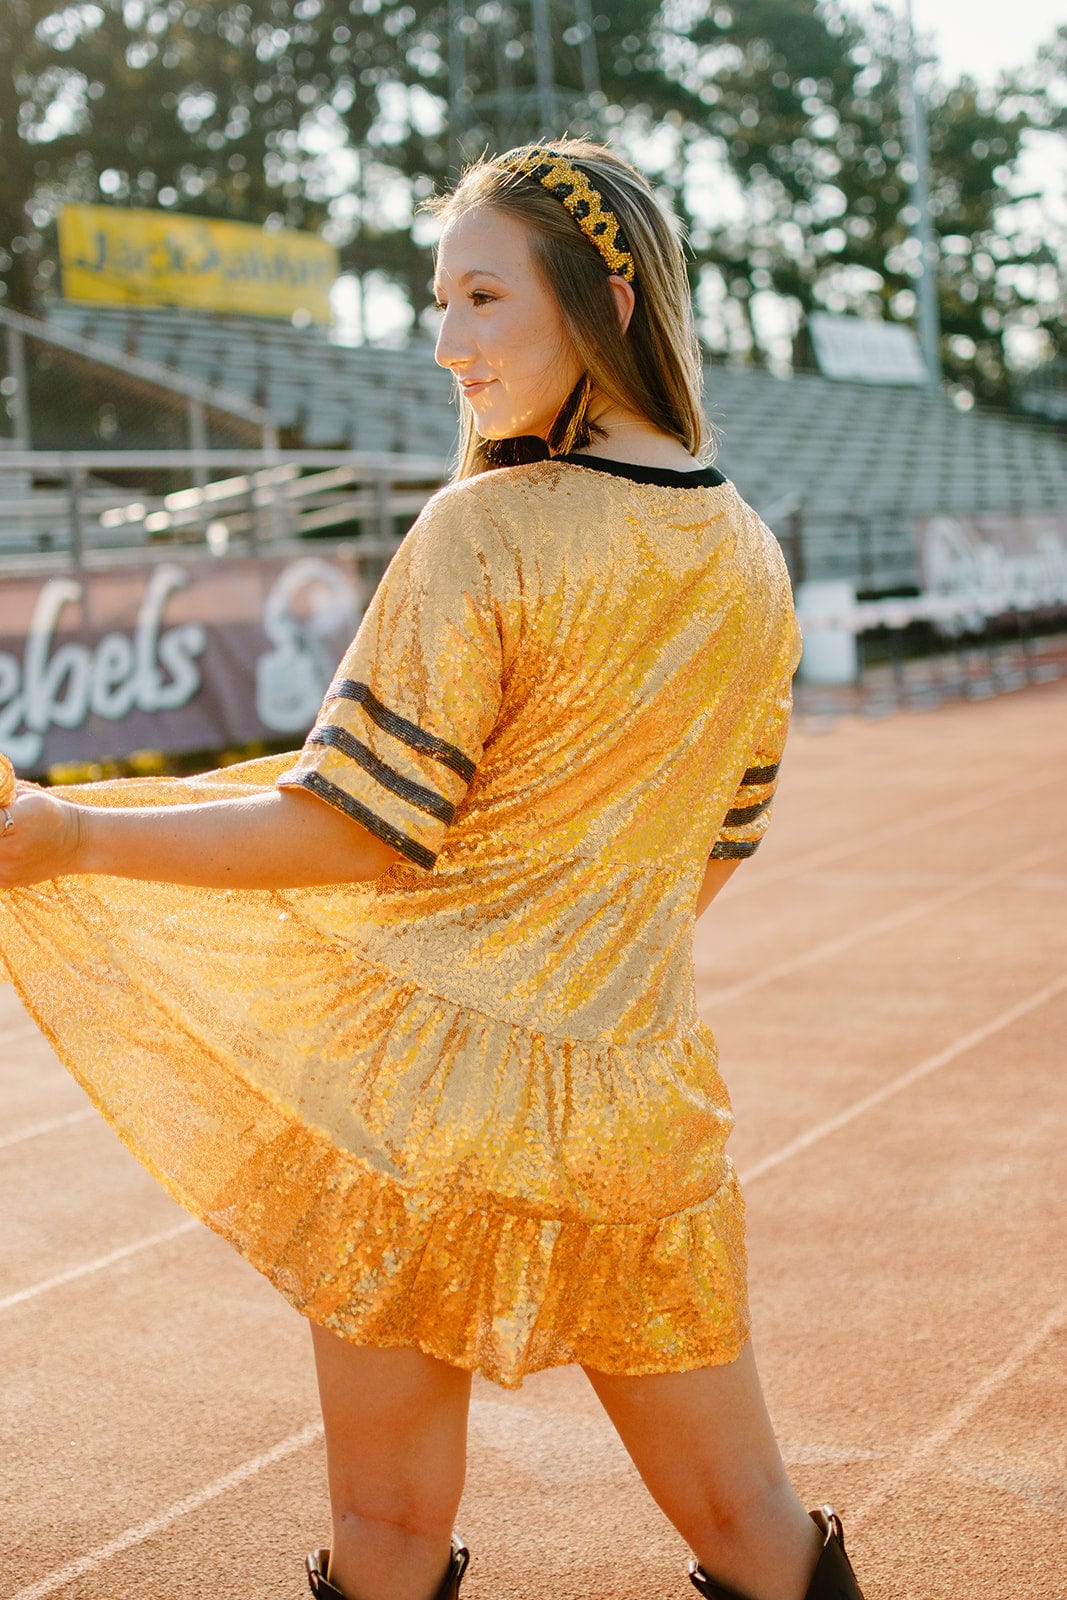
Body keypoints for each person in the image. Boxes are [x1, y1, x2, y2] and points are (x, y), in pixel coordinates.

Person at [0, 140, 866, 1600]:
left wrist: (75, 835)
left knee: (390, 1532)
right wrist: (574, 965)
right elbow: (717, 845)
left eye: (482, 298)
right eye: (439, 301)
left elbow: (348, 823)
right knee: (745, 1516)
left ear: (606, 302)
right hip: (637, 1094)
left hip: (416, 1111)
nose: (449, 343)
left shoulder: (491, 529)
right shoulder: (752, 556)